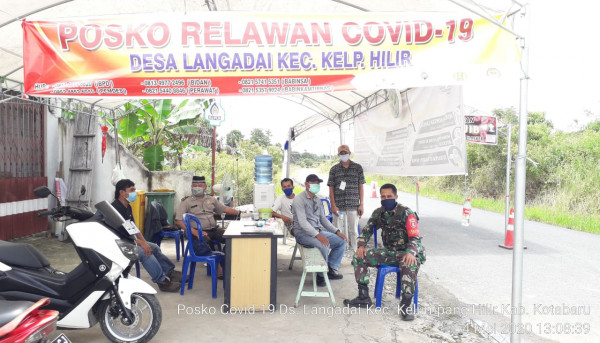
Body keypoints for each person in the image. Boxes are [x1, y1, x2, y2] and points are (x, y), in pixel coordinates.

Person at [343, 183, 425, 321]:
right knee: (359, 257)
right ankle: (363, 297)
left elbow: (415, 238)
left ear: (396, 196)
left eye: (389, 196)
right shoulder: (379, 212)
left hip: (407, 252)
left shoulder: (407, 213)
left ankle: (405, 306)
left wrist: (411, 252)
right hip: (389, 252)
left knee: (409, 264)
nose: (386, 199)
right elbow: (366, 230)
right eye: (383, 196)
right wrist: (361, 245)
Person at [111, 179, 182, 293]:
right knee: (145, 252)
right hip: (119, 244)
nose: (134, 193)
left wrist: (144, 242)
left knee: (154, 247)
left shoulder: (127, 207)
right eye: (132, 190)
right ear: (122, 193)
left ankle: (171, 273)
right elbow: (120, 234)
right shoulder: (115, 209)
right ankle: (162, 282)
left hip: (127, 241)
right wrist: (141, 244)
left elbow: (133, 228)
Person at [175, 175, 241, 278]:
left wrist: (240, 212)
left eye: (200, 185)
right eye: (194, 185)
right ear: (191, 187)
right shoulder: (186, 202)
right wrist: (194, 231)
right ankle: (218, 267)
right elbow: (179, 220)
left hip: (213, 229)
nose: (197, 187)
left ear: (205, 187)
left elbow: (223, 209)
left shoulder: (211, 199)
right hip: (197, 232)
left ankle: (226, 265)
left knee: (231, 238)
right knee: (205, 242)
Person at [292, 174, 348, 287]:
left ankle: (331, 268)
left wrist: (337, 231)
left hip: (317, 231)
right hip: (302, 233)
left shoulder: (317, 200)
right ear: (307, 184)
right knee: (323, 245)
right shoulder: (299, 199)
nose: (316, 185)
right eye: (314, 183)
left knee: (342, 241)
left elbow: (323, 219)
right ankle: (321, 276)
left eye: (318, 183)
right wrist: (318, 235)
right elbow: (303, 223)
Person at [327, 144, 366, 252]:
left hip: (353, 205)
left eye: (345, 152)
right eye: (341, 153)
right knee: (337, 231)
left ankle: (355, 253)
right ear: (338, 154)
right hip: (338, 206)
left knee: (353, 231)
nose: (343, 154)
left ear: (349, 153)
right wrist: (333, 205)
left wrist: (361, 204)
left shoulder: (357, 168)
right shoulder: (334, 169)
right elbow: (331, 188)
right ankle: (338, 253)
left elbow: (361, 186)